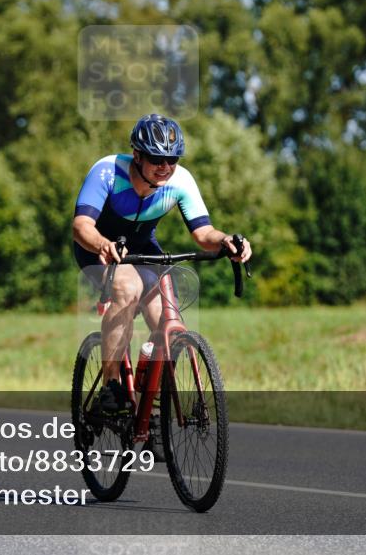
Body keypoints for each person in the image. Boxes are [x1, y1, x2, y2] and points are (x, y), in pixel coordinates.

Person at [72, 114, 252, 425]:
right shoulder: (107, 171)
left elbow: (203, 233)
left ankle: (149, 403)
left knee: (165, 319)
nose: (165, 166)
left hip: (143, 249)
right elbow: (81, 226)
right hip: (98, 248)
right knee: (127, 288)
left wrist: (226, 241)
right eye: (157, 159)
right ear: (137, 155)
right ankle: (112, 386)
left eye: (173, 159)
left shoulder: (181, 181)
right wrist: (103, 244)